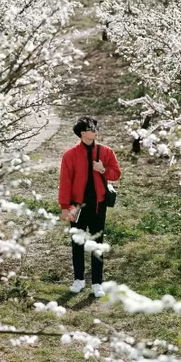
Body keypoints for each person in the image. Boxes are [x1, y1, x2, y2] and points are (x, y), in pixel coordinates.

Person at [58, 116, 122, 298]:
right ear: (82, 133)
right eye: (91, 128)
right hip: (76, 207)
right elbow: (65, 182)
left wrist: (102, 169)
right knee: (77, 244)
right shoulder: (70, 155)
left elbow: (116, 174)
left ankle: (97, 283)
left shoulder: (106, 152)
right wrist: (64, 207)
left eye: (96, 128)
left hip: (98, 206)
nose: (95, 131)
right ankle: (78, 280)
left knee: (97, 245)